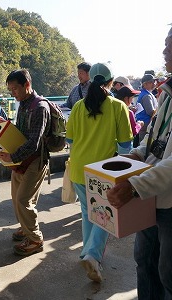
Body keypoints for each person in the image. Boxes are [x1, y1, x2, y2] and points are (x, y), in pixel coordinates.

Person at [106, 26, 172, 299]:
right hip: (149, 195)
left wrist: (134, 185)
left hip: (167, 200)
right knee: (144, 262)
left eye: (170, 45)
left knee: (169, 272)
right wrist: (137, 153)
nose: (164, 50)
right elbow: (153, 136)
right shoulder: (165, 91)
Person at [66, 62, 132, 282]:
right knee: (105, 215)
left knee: (88, 213)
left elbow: (70, 140)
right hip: (103, 173)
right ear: (111, 82)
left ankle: (87, 252)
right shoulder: (117, 106)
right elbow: (125, 147)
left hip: (78, 169)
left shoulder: (77, 107)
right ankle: (93, 256)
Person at [0, 69, 51, 256]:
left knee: (23, 200)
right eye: (10, 90)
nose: (13, 93)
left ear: (27, 85)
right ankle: (25, 228)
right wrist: (5, 125)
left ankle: (35, 239)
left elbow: (34, 142)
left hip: (35, 160)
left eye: (15, 89)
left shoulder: (40, 107)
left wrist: (12, 157)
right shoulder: (24, 104)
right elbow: (21, 132)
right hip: (20, 161)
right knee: (17, 198)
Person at [115, 86, 144, 154]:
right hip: (125, 145)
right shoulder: (129, 112)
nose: (132, 101)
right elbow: (134, 131)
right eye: (131, 98)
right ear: (126, 98)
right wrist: (139, 124)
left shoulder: (113, 110)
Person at [136, 73, 158, 144]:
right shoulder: (146, 95)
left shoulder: (146, 93)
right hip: (145, 124)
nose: (154, 84)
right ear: (145, 84)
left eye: (154, 82)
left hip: (143, 124)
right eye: (151, 82)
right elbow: (151, 112)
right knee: (144, 146)